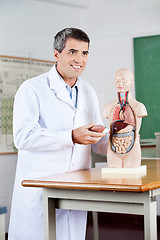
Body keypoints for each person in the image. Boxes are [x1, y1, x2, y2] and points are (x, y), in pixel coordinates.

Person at [8, 28, 108, 240]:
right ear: (56, 54)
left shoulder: (88, 91)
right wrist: (70, 137)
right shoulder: (32, 89)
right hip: (40, 190)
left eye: (85, 53)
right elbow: (23, 137)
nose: (79, 59)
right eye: (72, 52)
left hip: (75, 191)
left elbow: (97, 143)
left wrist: (120, 135)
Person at [102, 68, 147, 168]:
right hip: (114, 144)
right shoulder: (108, 107)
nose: (120, 84)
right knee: (114, 180)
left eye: (123, 81)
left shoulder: (138, 107)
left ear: (131, 83)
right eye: (117, 81)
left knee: (132, 179)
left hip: (132, 144)